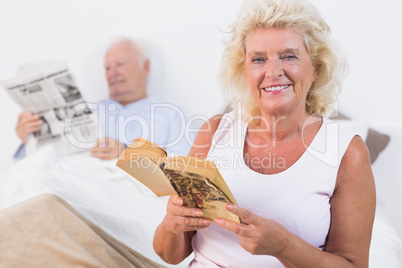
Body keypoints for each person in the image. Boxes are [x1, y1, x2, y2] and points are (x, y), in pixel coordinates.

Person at [153, 0, 376, 267]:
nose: (273, 72)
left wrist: (284, 246)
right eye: (258, 59)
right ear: (245, 70)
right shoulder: (214, 132)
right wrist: (172, 223)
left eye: (289, 56)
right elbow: (170, 254)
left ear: (315, 68)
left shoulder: (347, 152)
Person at [14, 37, 190, 160]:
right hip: (74, 188)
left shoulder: (171, 114)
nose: (112, 73)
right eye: (107, 68)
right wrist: (28, 140)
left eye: (120, 64)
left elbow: (183, 169)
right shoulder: (86, 111)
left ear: (146, 66)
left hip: (131, 196)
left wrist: (128, 154)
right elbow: (42, 163)